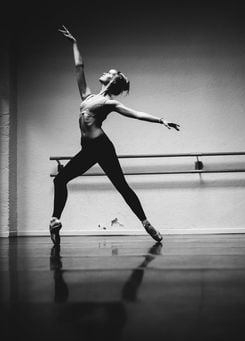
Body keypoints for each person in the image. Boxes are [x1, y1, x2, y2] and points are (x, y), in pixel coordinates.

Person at [50, 25, 180, 245]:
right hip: (88, 149)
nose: (104, 72)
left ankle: (146, 223)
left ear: (113, 81)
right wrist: (74, 43)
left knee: (121, 186)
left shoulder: (109, 102)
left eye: (108, 73)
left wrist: (161, 120)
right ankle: (55, 221)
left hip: (102, 147)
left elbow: (136, 114)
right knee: (61, 180)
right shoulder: (88, 96)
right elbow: (79, 67)